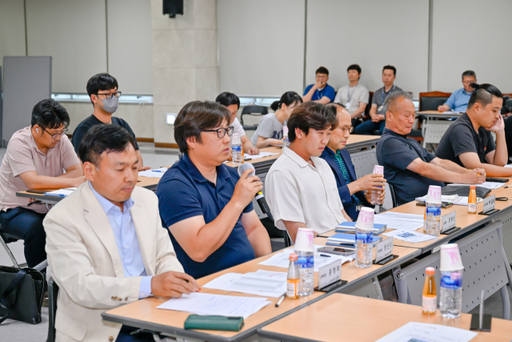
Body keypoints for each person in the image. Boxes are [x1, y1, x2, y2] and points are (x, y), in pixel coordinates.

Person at [44, 125, 199, 342]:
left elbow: (164, 256)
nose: (131, 178)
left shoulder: (147, 200)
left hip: (152, 315)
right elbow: (82, 286)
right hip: (101, 328)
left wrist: (174, 280)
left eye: (135, 168)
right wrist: (149, 285)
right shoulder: (63, 217)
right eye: (119, 169)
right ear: (89, 170)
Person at [156, 101, 271, 279]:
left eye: (227, 130)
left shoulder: (231, 175)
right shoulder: (175, 185)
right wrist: (237, 202)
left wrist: (266, 268)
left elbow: (254, 229)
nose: (227, 139)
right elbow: (199, 250)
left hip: (248, 275)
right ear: (191, 140)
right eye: (218, 132)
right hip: (208, 285)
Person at [0, 99, 85, 267]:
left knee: (78, 223)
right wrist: (71, 182)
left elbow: (77, 171)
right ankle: (39, 284)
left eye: (62, 131)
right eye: (54, 133)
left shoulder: (61, 140)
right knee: (37, 228)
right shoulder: (19, 143)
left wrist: (42, 187)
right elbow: (32, 182)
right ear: (37, 129)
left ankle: (67, 278)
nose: (59, 137)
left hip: (45, 205)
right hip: (13, 209)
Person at [376, 91, 486, 206]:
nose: (411, 120)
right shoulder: (389, 142)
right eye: (407, 115)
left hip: (436, 199)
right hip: (415, 205)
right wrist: (464, 178)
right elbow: (423, 169)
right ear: (389, 116)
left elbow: (439, 162)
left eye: (413, 115)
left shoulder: (410, 141)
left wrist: (469, 172)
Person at [265, 102, 351, 242]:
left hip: (345, 242)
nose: (325, 140)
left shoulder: (322, 164)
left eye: (328, 133)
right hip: (322, 250)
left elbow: (341, 214)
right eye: (320, 133)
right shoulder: (282, 173)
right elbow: (299, 233)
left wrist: (358, 236)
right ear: (299, 132)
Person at [320, 103, 386, 220]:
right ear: (327, 128)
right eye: (343, 129)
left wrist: (366, 197)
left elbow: (353, 191)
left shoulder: (344, 152)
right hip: (341, 218)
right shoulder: (318, 157)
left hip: (360, 214)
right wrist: (358, 185)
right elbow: (324, 199)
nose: (347, 135)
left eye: (349, 129)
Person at [72, 73, 150, 170]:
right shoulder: (84, 129)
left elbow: (137, 157)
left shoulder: (122, 125)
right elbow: (86, 165)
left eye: (115, 93)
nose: (113, 98)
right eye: (107, 94)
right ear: (94, 98)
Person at [435, 83, 512, 177]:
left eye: (498, 111)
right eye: (494, 111)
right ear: (477, 108)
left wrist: (500, 131)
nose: (497, 116)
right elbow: (476, 167)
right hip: (448, 187)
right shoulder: (460, 129)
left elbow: (499, 164)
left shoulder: (483, 128)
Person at [354, 65, 402, 135]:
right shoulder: (377, 92)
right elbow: (373, 108)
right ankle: (372, 144)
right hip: (376, 119)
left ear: (394, 77)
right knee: (358, 129)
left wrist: (383, 117)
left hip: (388, 120)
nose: (386, 77)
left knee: (382, 132)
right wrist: (373, 115)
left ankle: (378, 145)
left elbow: (398, 111)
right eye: (384, 75)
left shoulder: (398, 92)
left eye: (389, 75)